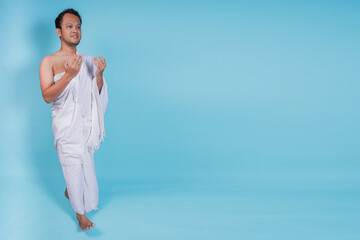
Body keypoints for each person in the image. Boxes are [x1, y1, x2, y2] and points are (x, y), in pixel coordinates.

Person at [39, 8, 108, 231]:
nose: (75, 30)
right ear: (59, 31)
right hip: (66, 127)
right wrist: (68, 76)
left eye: (78, 26)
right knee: (71, 165)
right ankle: (80, 215)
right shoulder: (48, 61)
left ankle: (71, 190)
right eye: (69, 26)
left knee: (85, 170)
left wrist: (99, 75)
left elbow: (96, 96)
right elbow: (47, 96)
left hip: (85, 127)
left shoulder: (87, 60)